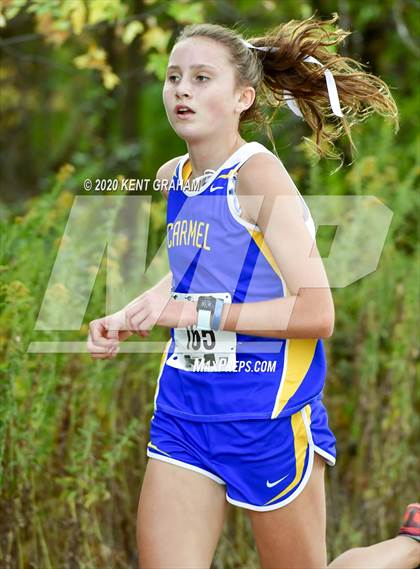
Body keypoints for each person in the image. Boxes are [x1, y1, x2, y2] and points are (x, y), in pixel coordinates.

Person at [87, 14, 419, 569]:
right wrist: (134, 310)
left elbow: (317, 311)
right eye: (173, 78)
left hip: (266, 414)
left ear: (243, 97)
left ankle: (410, 546)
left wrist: (197, 311)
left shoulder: (259, 176)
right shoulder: (176, 176)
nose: (181, 91)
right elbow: (202, 267)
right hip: (185, 412)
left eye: (200, 78)